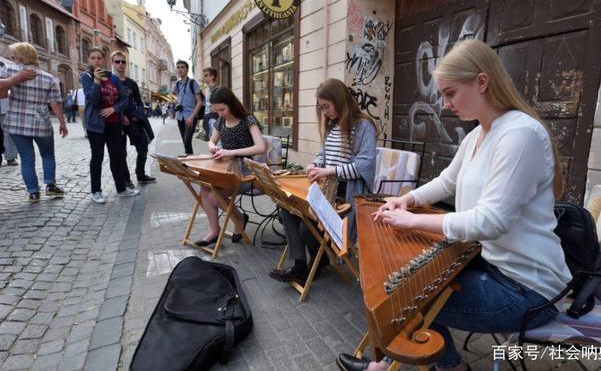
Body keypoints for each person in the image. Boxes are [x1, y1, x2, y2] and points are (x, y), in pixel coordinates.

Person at [336, 39, 572, 371]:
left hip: (527, 288)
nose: (445, 104)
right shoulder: (478, 134)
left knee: (407, 298)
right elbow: (448, 181)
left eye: (450, 93)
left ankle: (429, 366)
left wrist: (412, 221)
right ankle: (423, 363)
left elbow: (491, 221)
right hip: (488, 261)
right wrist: (407, 198)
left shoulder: (521, 134)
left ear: (481, 81)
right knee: (408, 282)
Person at [269, 78, 377, 284]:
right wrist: (315, 164)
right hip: (328, 191)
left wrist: (328, 171)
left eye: (326, 106)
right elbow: (323, 155)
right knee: (287, 206)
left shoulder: (364, 126)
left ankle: (319, 263)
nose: (324, 112)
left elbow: (365, 165)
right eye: (321, 108)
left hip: (347, 197)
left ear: (340, 101)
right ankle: (300, 266)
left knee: (306, 227)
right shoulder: (333, 125)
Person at [196, 86, 266, 247]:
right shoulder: (221, 120)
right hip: (225, 169)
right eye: (217, 110)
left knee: (214, 196)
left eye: (222, 109)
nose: (220, 114)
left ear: (231, 103)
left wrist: (231, 152)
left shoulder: (248, 119)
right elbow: (212, 140)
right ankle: (214, 230)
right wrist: (212, 147)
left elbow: (260, 147)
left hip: (245, 171)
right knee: (204, 187)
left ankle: (239, 218)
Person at [0, 43, 68, 201]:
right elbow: (55, 103)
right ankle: (51, 186)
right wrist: (62, 124)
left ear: (21, 56)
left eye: (14, 55)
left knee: (26, 158)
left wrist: (14, 89)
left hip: (16, 122)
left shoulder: (8, 71)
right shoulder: (49, 78)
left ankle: (33, 192)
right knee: (48, 155)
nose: (12, 58)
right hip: (40, 122)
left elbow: (2, 94)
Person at [80, 47, 139, 204]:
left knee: (117, 156)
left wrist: (114, 108)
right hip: (96, 125)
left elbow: (124, 98)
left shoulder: (113, 78)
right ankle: (96, 191)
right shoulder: (86, 77)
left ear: (104, 60)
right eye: (93, 58)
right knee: (97, 157)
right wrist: (97, 82)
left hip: (113, 123)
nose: (96, 60)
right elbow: (92, 100)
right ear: (89, 59)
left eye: (99, 58)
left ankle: (121, 188)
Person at [111, 51, 156, 184]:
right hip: (117, 121)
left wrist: (138, 115)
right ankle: (126, 180)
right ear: (112, 63)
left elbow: (139, 102)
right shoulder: (110, 82)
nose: (120, 64)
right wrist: (120, 116)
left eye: (123, 62)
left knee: (143, 147)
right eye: (117, 61)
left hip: (133, 121)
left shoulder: (132, 83)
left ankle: (140, 174)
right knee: (121, 153)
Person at [171, 60, 203, 155]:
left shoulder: (193, 83)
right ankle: (189, 160)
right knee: (185, 142)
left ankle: (189, 162)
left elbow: (200, 102)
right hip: (180, 117)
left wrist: (192, 118)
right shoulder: (177, 84)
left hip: (190, 117)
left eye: (182, 67)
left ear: (187, 70)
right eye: (178, 67)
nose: (180, 69)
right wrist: (177, 102)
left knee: (187, 140)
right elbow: (173, 95)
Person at [202, 67, 219, 139]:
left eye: (206, 75)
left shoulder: (217, 90)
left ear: (212, 77)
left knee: (217, 144)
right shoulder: (207, 90)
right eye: (204, 75)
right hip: (208, 118)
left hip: (215, 119)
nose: (204, 78)